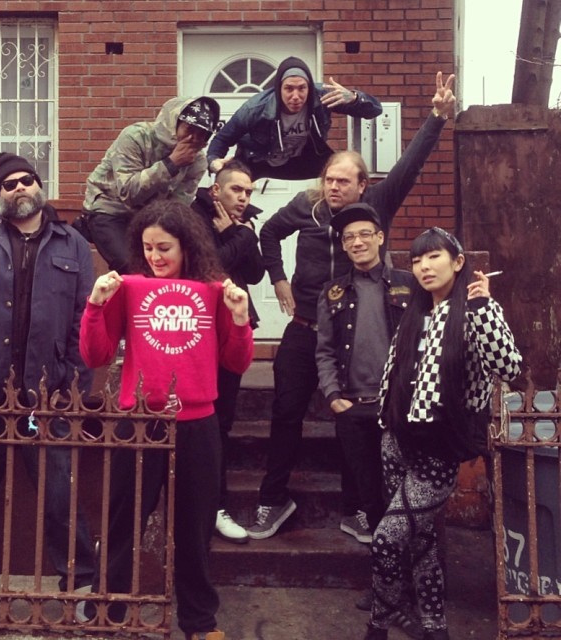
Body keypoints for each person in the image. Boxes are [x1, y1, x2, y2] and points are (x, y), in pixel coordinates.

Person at [246, 71, 456, 541]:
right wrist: (278, 278)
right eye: (329, 179)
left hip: (355, 333)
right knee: (286, 412)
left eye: (343, 181)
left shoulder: (378, 204)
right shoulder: (307, 206)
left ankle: (358, 508)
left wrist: (437, 118)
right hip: (305, 326)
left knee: (355, 423)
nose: (334, 187)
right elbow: (270, 232)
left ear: (362, 186)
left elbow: (410, 166)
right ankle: (272, 500)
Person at [79, 200, 254, 640]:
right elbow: (95, 355)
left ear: (186, 247)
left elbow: (236, 362)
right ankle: (108, 610)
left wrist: (239, 319)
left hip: (197, 424)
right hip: (138, 422)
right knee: (121, 522)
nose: (155, 257)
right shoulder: (129, 289)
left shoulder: (213, 290)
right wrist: (95, 306)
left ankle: (199, 622)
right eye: (148, 248)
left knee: (194, 529)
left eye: (164, 248)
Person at [0, 152, 96, 619]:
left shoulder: (73, 244)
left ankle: (81, 588)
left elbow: (84, 323)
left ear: (39, 185)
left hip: (48, 394)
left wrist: (72, 387)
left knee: (60, 495)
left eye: (26, 179)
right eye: (9, 184)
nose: (19, 187)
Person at [363, 226, 522, 640]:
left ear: (458, 262)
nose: (424, 267)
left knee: (386, 540)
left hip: (438, 452)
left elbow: (509, 367)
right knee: (422, 542)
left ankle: (378, 624)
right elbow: (394, 374)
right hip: (396, 441)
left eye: (434, 256)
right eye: (417, 260)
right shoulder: (414, 314)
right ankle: (436, 627)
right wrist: (386, 421)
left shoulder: (474, 312)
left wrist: (483, 307)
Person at [315, 202, 412, 542]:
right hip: (352, 406)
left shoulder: (408, 284)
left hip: (397, 405)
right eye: (349, 237)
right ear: (343, 245)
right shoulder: (332, 292)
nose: (357, 242)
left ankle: (403, 563)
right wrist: (333, 396)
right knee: (368, 493)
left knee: (401, 489)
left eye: (364, 234)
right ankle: (383, 567)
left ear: (380, 237)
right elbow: (325, 350)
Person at [191, 160, 264, 544]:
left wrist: (236, 234)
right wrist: (243, 236)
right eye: (237, 190)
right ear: (215, 190)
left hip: (232, 334)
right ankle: (204, 508)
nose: (244, 198)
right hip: (199, 334)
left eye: (249, 192)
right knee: (205, 424)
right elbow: (212, 267)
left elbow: (254, 273)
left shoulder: (238, 224)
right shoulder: (194, 217)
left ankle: (216, 507)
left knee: (221, 424)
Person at [81, 96, 220, 273]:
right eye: (189, 129)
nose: (193, 138)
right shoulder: (136, 137)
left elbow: (177, 206)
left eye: (202, 134)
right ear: (174, 123)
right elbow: (128, 192)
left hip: (149, 219)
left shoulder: (197, 161)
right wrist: (171, 164)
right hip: (110, 209)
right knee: (131, 267)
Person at [206, 56, 382, 181]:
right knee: (230, 186)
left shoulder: (322, 97)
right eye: (289, 89)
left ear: (309, 88)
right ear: (279, 89)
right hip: (260, 161)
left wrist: (355, 98)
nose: (296, 96)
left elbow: (374, 110)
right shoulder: (255, 108)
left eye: (302, 88)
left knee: (345, 173)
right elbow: (221, 140)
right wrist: (214, 162)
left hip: (301, 162)